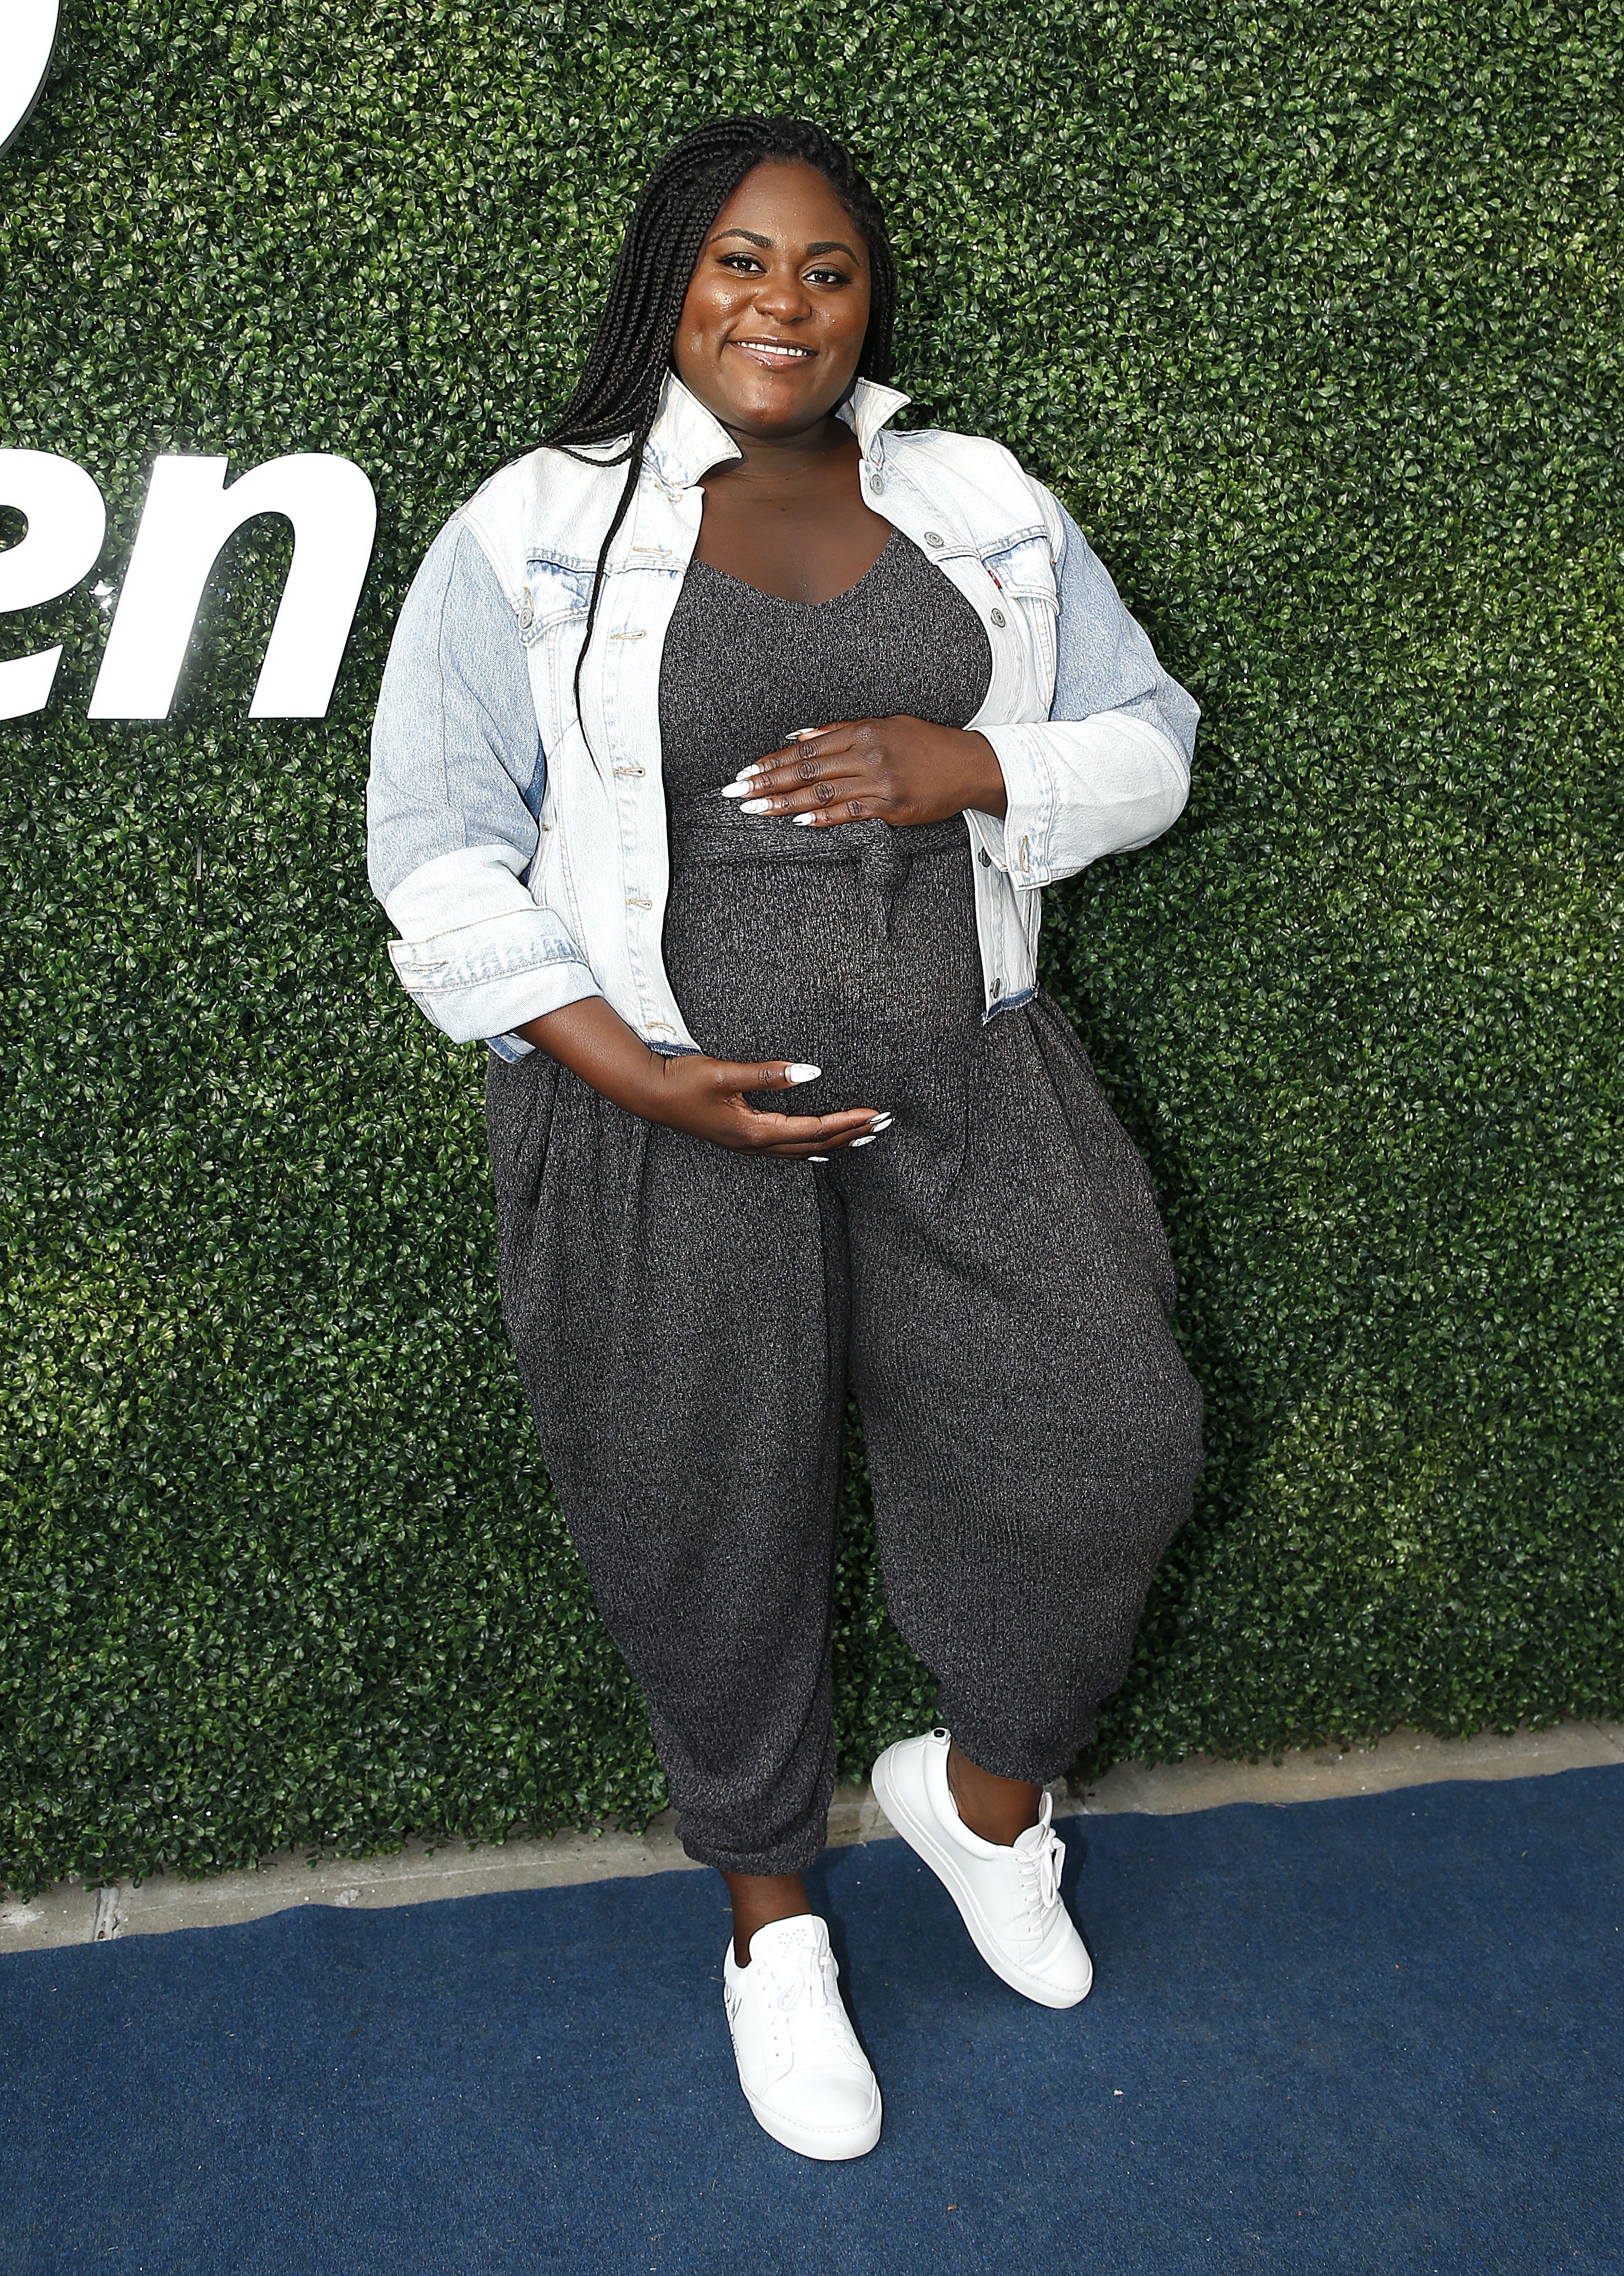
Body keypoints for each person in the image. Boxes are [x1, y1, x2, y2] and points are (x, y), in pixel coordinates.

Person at [368, 114, 1204, 2162]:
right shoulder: (531, 533)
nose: (784, 306)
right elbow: (438, 853)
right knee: (704, 1521)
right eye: (742, 263)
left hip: (969, 1067)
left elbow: (1148, 735)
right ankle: (772, 1925)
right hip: (664, 1113)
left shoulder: (980, 502)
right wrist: (631, 1070)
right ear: (675, 278)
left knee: (1112, 1437)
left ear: (868, 304)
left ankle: (983, 1802)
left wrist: (966, 761)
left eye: (826, 272)